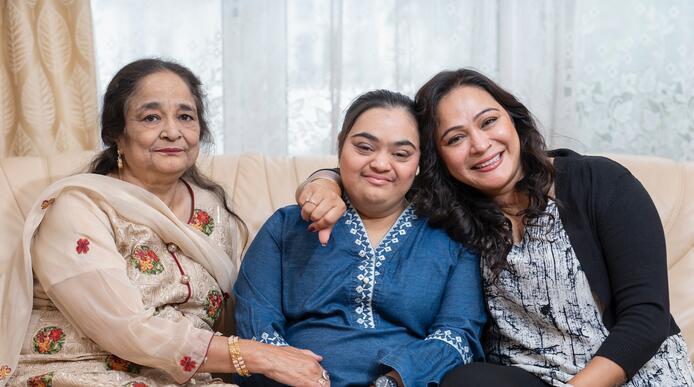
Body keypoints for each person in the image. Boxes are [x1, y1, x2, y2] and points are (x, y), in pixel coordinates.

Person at [296, 69, 694, 386]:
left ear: (513, 120)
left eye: (489, 122)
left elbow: (647, 317)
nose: (481, 144)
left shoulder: (600, 182)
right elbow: (377, 176)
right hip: (524, 377)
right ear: (439, 160)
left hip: (629, 372)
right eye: (455, 138)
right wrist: (323, 182)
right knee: (464, 380)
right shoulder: (448, 209)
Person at [0, 59, 327, 387]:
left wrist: (329, 182)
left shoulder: (214, 210)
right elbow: (127, 328)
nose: (173, 131)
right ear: (116, 133)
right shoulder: (79, 208)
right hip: (78, 370)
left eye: (185, 116)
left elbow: (243, 304)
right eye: (151, 117)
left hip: (182, 378)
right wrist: (259, 355)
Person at [234, 90, 486, 387]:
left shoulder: (452, 236)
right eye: (365, 147)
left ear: (419, 161)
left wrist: (393, 382)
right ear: (341, 143)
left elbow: (458, 335)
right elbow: (255, 321)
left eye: (401, 154)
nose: (380, 164)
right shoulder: (286, 226)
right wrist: (294, 373)